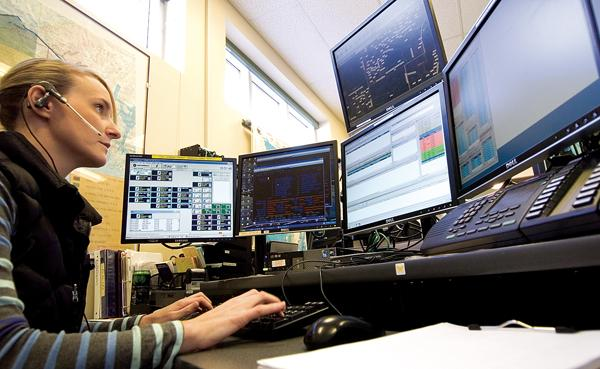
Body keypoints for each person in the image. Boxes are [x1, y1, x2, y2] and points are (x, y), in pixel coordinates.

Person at [0, 58, 286, 368]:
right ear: (41, 101)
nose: (115, 131)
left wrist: (145, 323)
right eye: (99, 108)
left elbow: (64, 333)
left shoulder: (47, 202)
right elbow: (11, 350)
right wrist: (188, 332)